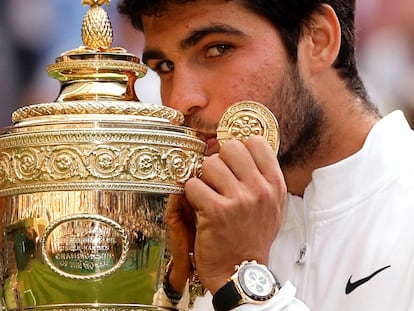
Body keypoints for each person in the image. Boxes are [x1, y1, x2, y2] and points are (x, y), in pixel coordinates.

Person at [118, 0, 414, 310]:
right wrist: (172, 290)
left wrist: (242, 282)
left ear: (318, 39)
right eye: (165, 67)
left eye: (217, 49)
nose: (179, 101)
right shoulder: (192, 233)